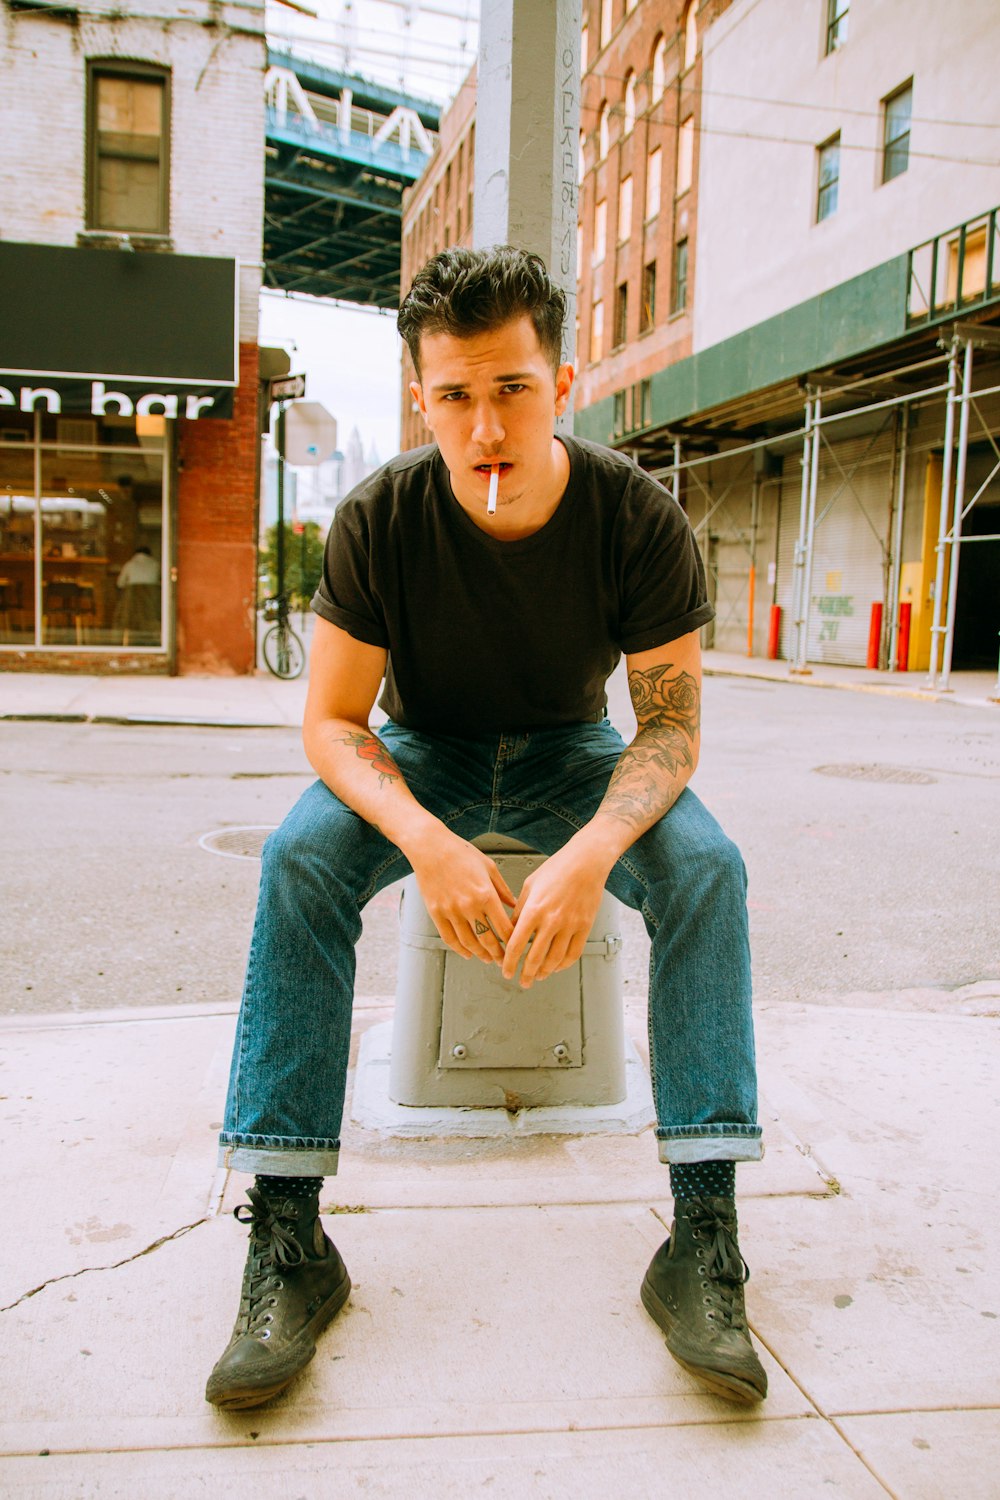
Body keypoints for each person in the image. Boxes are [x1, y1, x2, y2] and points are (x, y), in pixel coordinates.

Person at [206, 246, 766, 1412]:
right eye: (455, 394)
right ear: (422, 396)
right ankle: (292, 1240)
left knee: (708, 866)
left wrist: (594, 851)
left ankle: (703, 1234)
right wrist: (423, 839)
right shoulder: (379, 519)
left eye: (511, 387)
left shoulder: (635, 516)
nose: (485, 424)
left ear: (561, 383)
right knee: (299, 858)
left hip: (573, 754)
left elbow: (666, 731)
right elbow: (331, 722)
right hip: (425, 752)